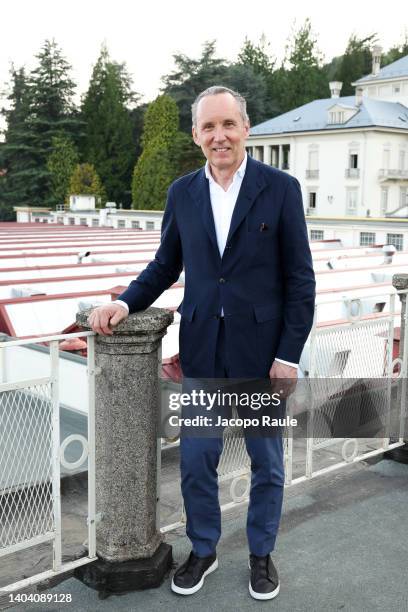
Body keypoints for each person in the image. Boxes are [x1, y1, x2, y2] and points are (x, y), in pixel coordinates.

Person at [88, 85, 316, 600]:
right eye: (209, 127)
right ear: (196, 135)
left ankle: (261, 555)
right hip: (203, 352)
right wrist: (124, 304)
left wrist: (288, 354)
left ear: (245, 129)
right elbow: (165, 264)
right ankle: (205, 549)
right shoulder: (182, 192)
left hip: (262, 356)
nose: (219, 136)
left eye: (228, 125)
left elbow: (301, 280)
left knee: (267, 464)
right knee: (196, 462)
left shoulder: (280, 188)